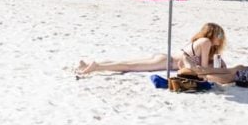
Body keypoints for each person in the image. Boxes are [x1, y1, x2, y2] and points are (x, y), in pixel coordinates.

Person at [76, 23, 227, 76]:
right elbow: (204, 68)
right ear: (212, 33)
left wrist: (218, 60)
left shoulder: (200, 40)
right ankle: (96, 67)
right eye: (219, 34)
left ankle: (88, 64)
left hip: (164, 57)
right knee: (128, 66)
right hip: (168, 62)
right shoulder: (206, 42)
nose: (221, 37)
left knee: (125, 63)